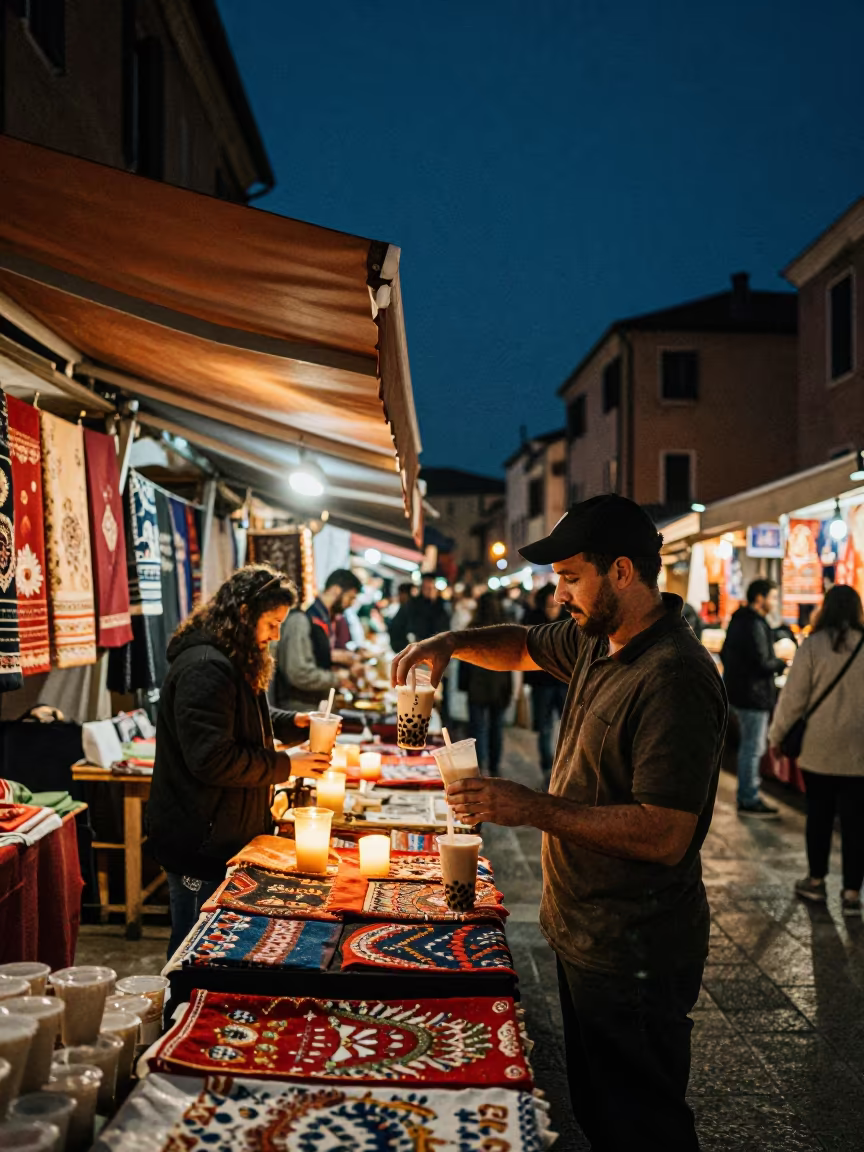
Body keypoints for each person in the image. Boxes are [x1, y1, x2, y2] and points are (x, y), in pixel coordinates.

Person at [392, 495, 727, 1151]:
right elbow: (520, 646)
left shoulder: (673, 677)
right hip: (584, 931)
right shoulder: (596, 640)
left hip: (634, 946)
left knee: (643, 1125)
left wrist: (531, 808)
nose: (557, 595)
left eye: (571, 578)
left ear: (623, 572)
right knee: (602, 1114)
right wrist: (450, 643)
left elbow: (665, 833)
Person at [148, 566, 332, 957]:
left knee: (216, 948)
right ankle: (177, 1012)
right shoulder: (205, 666)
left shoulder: (231, 657)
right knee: (192, 951)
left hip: (222, 836)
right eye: (271, 623)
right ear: (245, 613)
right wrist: (287, 765)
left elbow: (242, 722)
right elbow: (212, 758)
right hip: (199, 843)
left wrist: (293, 723)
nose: (275, 635)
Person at [768, 585, 864, 915]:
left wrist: (776, 737)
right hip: (858, 751)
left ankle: (816, 882)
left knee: (819, 816)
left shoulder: (812, 645)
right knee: (856, 823)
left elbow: (793, 699)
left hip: (819, 750)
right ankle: (852, 893)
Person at [720, 579, 787, 817]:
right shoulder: (754, 624)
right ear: (760, 598)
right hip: (753, 696)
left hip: (739, 693)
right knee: (753, 747)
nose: (774, 601)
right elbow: (762, 662)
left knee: (748, 746)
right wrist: (781, 663)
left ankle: (747, 794)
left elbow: (727, 654)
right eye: (772, 596)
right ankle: (748, 798)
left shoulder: (739, 620)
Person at [274, 568, 363, 711]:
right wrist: (339, 677)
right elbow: (300, 673)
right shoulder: (302, 619)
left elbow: (315, 657)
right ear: (335, 590)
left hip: (314, 706)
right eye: (350, 597)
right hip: (299, 709)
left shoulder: (323, 618)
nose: (351, 604)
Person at [460, 593, 512, 776]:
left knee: (478, 729)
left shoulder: (472, 629)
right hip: (499, 686)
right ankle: (495, 765)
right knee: (496, 728)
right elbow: (511, 663)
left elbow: (463, 662)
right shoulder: (505, 630)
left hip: (477, 686)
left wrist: (463, 685)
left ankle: (480, 767)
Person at [524, 583, 568, 779]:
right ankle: (547, 766)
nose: (553, 603)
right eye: (549, 599)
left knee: (569, 726)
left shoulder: (569, 618)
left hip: (565, 681)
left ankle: (566, 765)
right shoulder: (533, 618)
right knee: (544, 727)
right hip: (541, 683)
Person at [387, 583, 416, 653]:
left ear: (405, 594)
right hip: (401, 650)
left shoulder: (407, 609)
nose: (399, 597)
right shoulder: (404, 608)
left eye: (400, 594)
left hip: (403, 650)